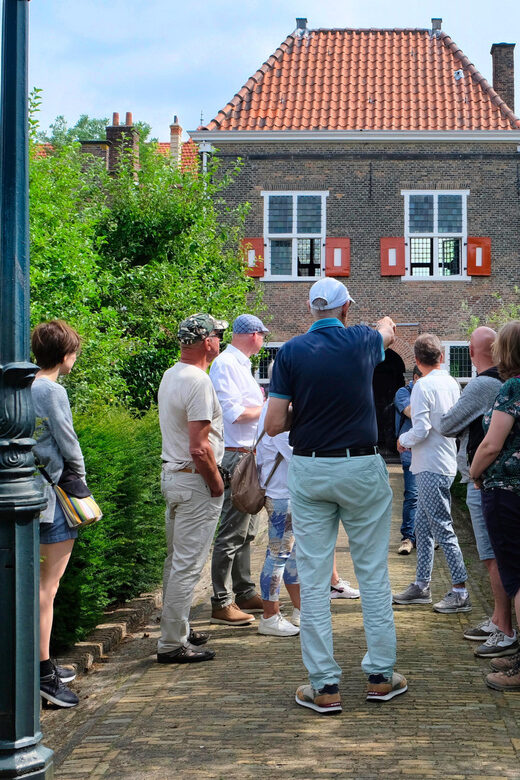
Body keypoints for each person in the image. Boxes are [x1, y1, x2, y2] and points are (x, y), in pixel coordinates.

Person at [265, 277, 407, 715]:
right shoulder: (362, 340)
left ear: (311, 310)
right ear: (346, 310)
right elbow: (386, 331)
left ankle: (324, 686)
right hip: (361, 466)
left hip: (311, 467)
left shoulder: (290, 352)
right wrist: (384, 324)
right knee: (373, 574)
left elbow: (273, 424)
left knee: (312, 577)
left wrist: (308, 409)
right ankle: (381, 677)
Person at [157, 313, 228, 664]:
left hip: (172, 475)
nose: (220, 341)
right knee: (187, 565)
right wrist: (216, 484)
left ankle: (177, 628)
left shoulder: (171, 374)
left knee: (175, 560)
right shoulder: (199, 381)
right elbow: (200, 448)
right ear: (207, 341)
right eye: (218, 335)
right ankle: (172, 643)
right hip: (194, 479)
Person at [439, 327, 515, 657]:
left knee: (493, 556)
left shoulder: (485, 384)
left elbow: (447, 425)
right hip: (500, 480)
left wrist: (473, 472)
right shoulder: (506, 383)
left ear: (471, 352)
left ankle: (504, 629)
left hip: (486, 480)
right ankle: (499, 619)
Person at [393, 334, 470, 614]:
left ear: (416, 360)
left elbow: (421, 429)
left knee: (442, 528)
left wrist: (403, 440)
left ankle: (460, 591)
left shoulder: (422, 385)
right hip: (444, 462)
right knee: (423, 528)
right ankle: (421, 585)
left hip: (430, 465)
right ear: (442, 357)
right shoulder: (452, 383)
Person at [32, 320, 84, 708]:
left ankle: (41, 664)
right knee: (46, 589)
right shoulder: (52, 390)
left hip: (23, 496)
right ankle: (43, 675)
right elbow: (68, 442)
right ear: (65, 355)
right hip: (50, 499)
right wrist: (80, 482)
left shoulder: (18, 385)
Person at [469, 321, 520, 691]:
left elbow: (491, 444)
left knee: (516, 578)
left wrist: (475, 471)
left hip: (507, 492)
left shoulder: (513, 387)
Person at [209, 314, 268, 626]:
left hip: (249, 455)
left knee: (247, 531)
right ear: (253, 335)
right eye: (262, 335)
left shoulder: (240, 364)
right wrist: (272, 408)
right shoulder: (226, 365)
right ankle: (221, 601)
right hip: (237, 456)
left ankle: (244, 592)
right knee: (232, 531)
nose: (263, 340)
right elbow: (234, 413)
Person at [256, 385, 300, 638]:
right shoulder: (277, 412)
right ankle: (270, 617)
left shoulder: (273, 408)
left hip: (285, 492)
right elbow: (297, 454)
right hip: (282, 494)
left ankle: (300, 610)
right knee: (278, 555)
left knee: (291, 555)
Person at [394, 366, 422, 555]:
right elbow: (410, 412)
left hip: (428, 452)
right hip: (410, 451)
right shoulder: (404, 392)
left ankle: (423, 536)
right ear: (416, 378)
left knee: (427, 498)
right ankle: (408, 537)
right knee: (412, 495)